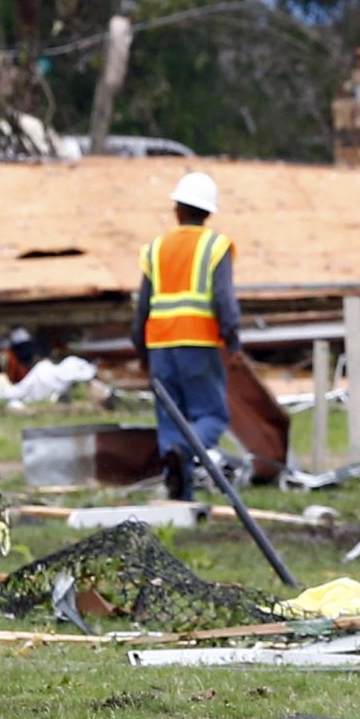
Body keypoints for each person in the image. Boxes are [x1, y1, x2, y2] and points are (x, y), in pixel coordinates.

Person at [133, 171, 242, 501]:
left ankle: (178, 490)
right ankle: (184, 451)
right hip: (199, 344)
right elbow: (224, 299)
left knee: (170, 418)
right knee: (211, 415)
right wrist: (233, 340)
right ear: (208, 213)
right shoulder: (215, 246)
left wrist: (140, 349)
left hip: (160, 347)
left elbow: (142, 306)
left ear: (177, 209)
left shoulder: (156, 249)